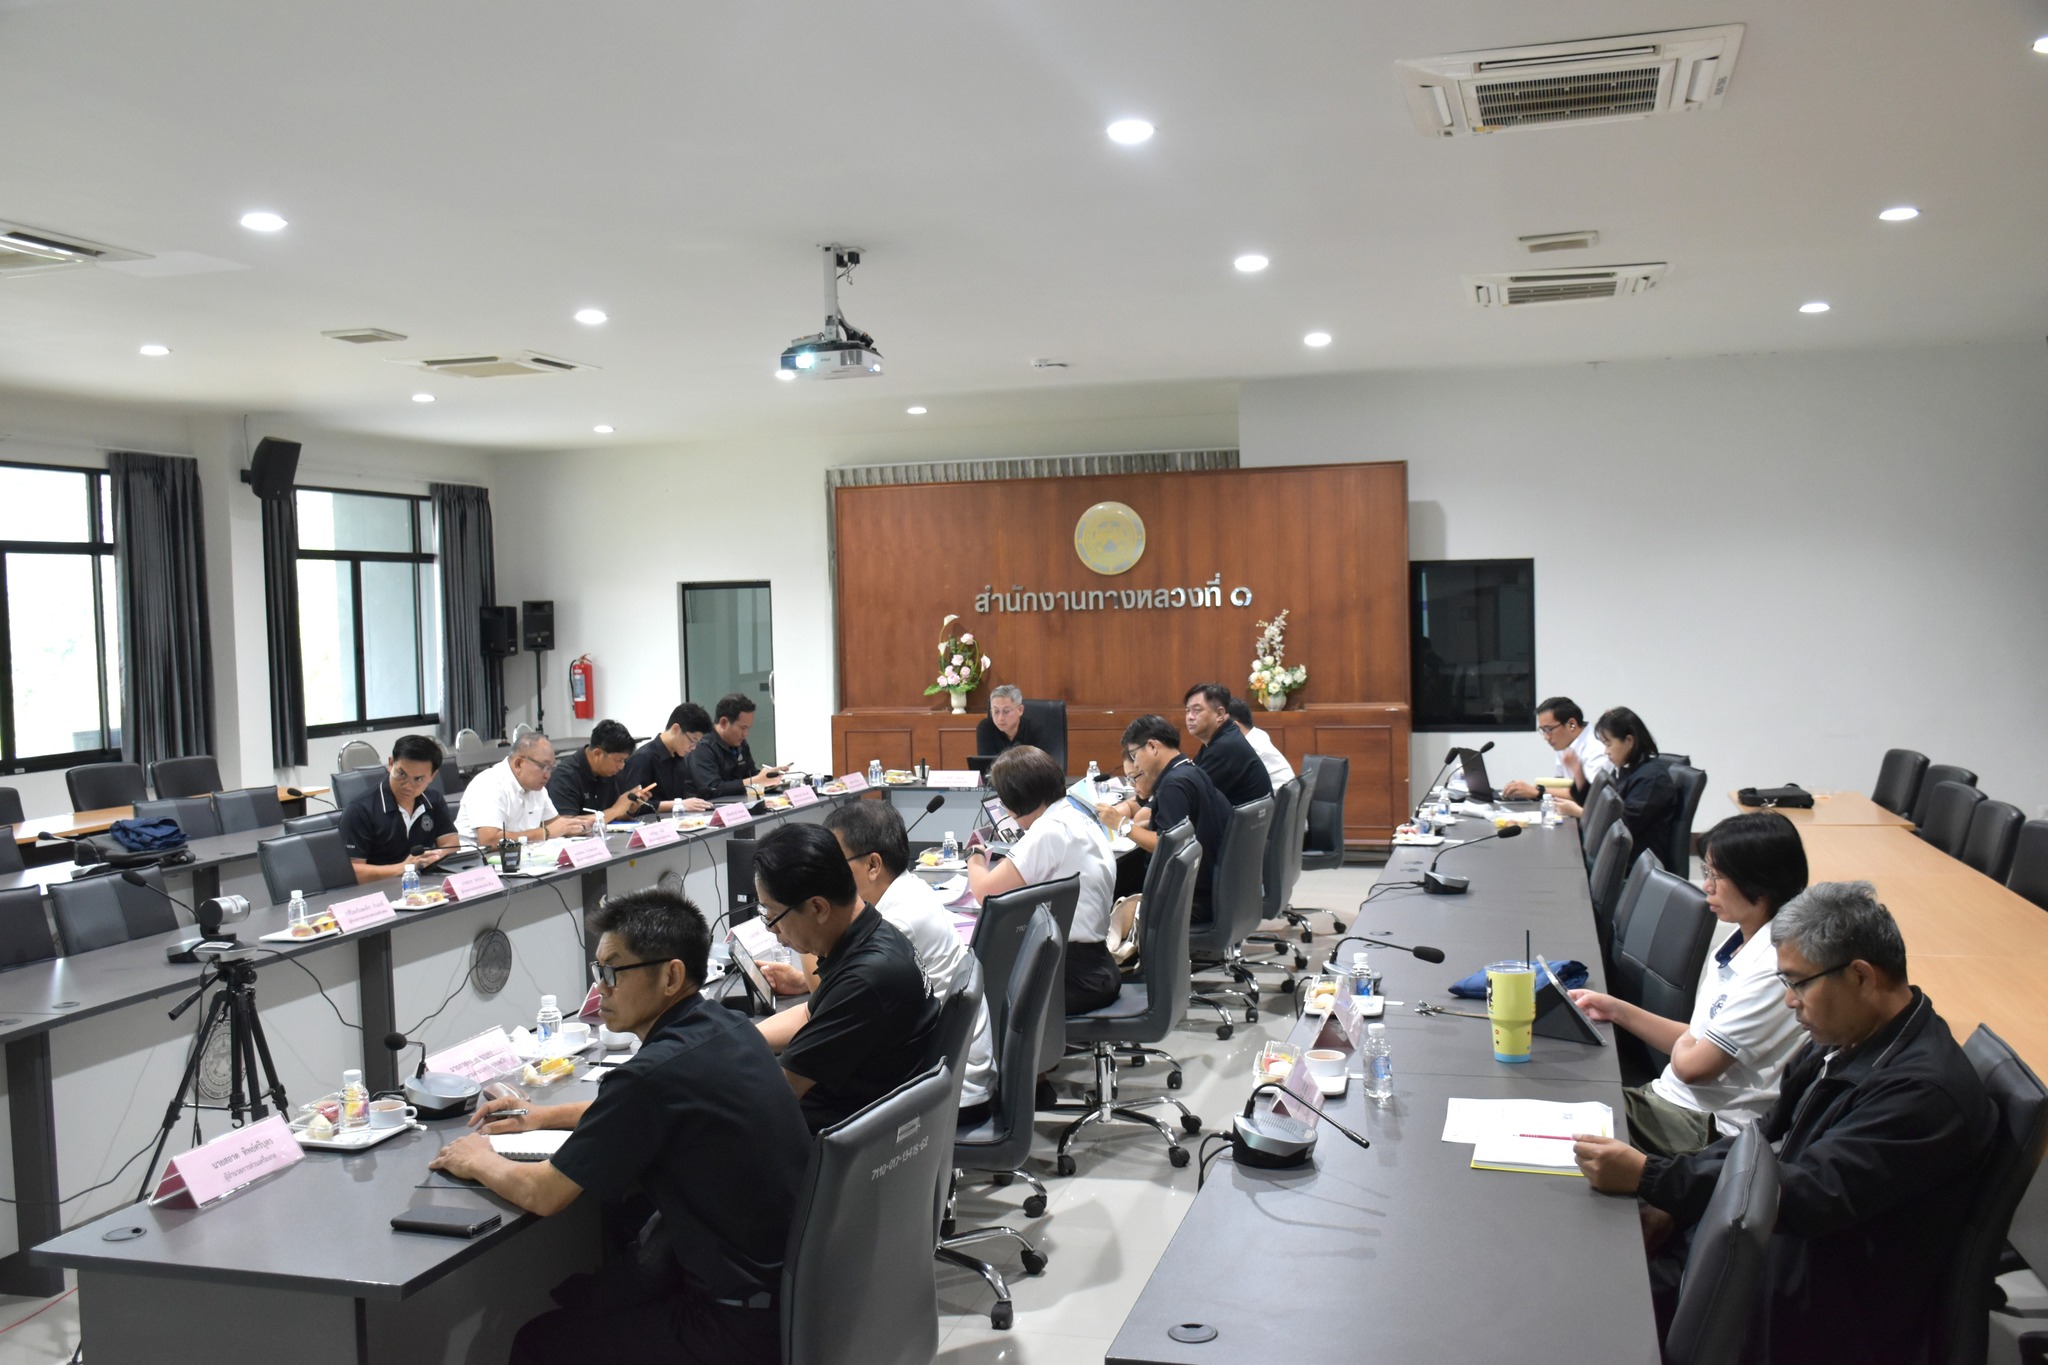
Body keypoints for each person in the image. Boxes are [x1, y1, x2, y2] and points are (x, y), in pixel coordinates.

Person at [1571, 883, 1994, 1363]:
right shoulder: (1848, 1037)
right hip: (1767, 1250)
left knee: (1594, 1299)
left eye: (1798, 983)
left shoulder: (1922, 1095)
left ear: (1860, 976)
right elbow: (1759, 1137)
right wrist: (1674, 1200)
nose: (1790, 1002)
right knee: (1595, 1253)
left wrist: (1652, 1177)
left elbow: (1807, 1195)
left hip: (1809, 1307)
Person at [429, 887, 808, 1365]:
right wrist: (541, 1115)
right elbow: (645, 1109)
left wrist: (477, 1159)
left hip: (734, 1327)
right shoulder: (727, 1027)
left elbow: (544, 1193)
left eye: (612, 973)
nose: (599, 990)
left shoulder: (651, 1076)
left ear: (671, 976)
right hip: (792, 1298)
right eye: (597, 972)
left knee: (539, 1344)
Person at [1568, 811, 1809, 1155]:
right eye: (1707, 872)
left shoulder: (1775, 966)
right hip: (1671, 1103)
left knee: (1559, 1128)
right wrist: (1616, 1010)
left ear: (1759, 884)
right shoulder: (1740, 944)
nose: (1707, 886)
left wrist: (1691, 1045)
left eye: (1717, 876)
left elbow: (1694, 1067)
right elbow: (1696, 1040)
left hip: (1703, 1128)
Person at [751, 801, 996, 1123]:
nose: (773, 931)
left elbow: (777, 1095)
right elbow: (813, 1013)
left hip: (848, 1135)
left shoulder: (870, 973)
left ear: (818, 907)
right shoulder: (874, 928)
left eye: (773, 916)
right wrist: (743, 1038)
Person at [966, 745, 1119, 1014]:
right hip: (1095, 967)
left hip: (1072, 976)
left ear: (1016, 800)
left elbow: (986, 894)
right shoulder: (1076, 816)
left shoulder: (1049, 830)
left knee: (974, 988)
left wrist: (974, 856)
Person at [1103, 715, 1230, 925]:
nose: (1136, 764)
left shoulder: (1174, 785)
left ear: (1153, 747)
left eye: (1134, 755)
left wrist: (1121, 825)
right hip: (1211, 890)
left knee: (1111, 892)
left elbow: (1167, 845)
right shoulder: (1190, 770)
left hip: (1189, 902)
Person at [1553, 706, 1676, 860]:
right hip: (1615, 853)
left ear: (1629, 741)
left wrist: (1581, 813)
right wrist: (1578, 773)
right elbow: (1599, 801)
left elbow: (1624, 826)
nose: (1606, 751)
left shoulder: (1652, 778)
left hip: (1633, 861)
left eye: (1608, 744)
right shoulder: (1627, 769)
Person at [340, 733, 460, 882]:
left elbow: (451, 844)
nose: (407, 786)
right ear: (391, 764)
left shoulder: (433, 800)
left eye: (418, 779)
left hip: (425, 885)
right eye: (402, 774)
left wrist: (432, 858)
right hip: (380, 889)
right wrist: (403, 868)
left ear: (432, 776)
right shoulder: (360, 810)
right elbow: (352, 871)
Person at [455, 731, 596, 846]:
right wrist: (545, 833)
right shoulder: (489, 784)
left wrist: (583, 825)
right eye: (543, 767)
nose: (548, 775)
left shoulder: (537, 788)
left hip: (521, 858)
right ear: (519, 763)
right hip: (477, 864)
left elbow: (556, 824)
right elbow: (489, 841)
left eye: (551, 768)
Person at [546, 719, 658, 826]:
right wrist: (615, 810)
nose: (621, 767)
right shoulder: (565, 777)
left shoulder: (608, 772)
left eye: (624, 760)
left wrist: (630, 809)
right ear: (597, 754)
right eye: (618, 760)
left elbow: (611, 816)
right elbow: (565, 825)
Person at [1500, 696, 1614, 801]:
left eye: (1549, 729)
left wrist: (1537, 792)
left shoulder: (1597, 749)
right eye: (1543, 730)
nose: (1546, 737)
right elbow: (1560, 785)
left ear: (1572, 725)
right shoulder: (1565, 744)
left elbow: (1591, 797)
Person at [684, 693, 786, 801]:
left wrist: (769, 777)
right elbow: (712, 788)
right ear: (724, 723)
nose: (745, 733)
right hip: (706, 806)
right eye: (742, 728)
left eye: (748, 728)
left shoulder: (740, 743)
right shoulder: (702, 746)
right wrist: (755, 781)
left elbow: (750, 774)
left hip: (737, 803)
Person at [618, 704, 717, 814]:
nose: (693, 747)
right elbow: (631, 805)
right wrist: (678, 805)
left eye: (697, 743)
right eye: (693, 741)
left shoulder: (679, 756)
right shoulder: (643, 758)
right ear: (676, 729)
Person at [1183, 683, 1271, 806]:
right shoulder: (1225, 736)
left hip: (1238, 817)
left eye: (1197, 710)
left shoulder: (1225, 747)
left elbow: (1189, 793)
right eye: (1188, 711)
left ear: (1219, 714)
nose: (1190, 717)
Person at [1224, 695, 1295, 788]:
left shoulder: (1248, 746)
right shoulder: (1257, 733)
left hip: (1278, 794)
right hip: (1289, 790)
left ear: (1235, 726)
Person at [975, 684, 1058, 759]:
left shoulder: (1036, 731)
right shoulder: (986, 728)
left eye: (1006, 711)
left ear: (1020, 710)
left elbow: (1041, 764)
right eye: (996, 711)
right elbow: (986, 765)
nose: (1001, 718)